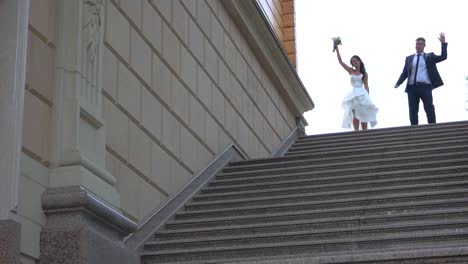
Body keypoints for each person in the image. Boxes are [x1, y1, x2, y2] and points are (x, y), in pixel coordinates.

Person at [394, 33, 448, 125]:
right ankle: (414, 129)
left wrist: (443, 44)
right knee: (413, 110)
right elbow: (405, 73)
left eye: (420, 44)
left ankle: (433, 126)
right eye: (416, 44)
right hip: (412, 87)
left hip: (425, 87)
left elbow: (443, 57)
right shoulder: (409, 58)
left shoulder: (430, 56)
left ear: (424, 45)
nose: (418, 46)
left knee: (429, 107)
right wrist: (398, 83)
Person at [335, 45, 378, 131]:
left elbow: (366, 85)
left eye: (356, 60)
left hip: (362, 93)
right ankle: (356, 131)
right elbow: (341, 62)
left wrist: (367, 96)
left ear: (360, 61)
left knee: (363, 112)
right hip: (353, 94)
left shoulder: (364, 73)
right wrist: (337, 49)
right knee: (354, 112)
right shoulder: (351, 71)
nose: (355, 62)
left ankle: (365, 132)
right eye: (353, 62)